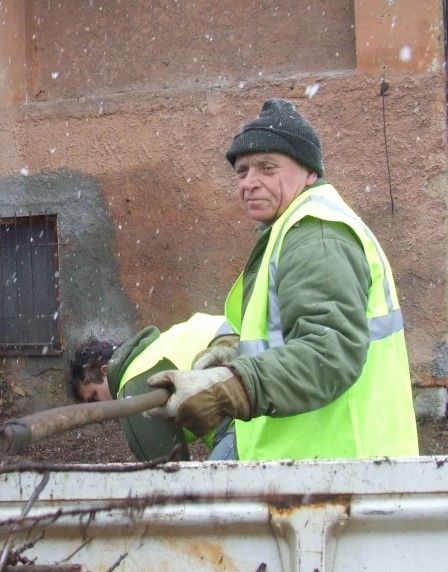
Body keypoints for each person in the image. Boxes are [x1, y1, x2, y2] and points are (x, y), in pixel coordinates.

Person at [147, 98, 418, 460]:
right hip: (324, 464)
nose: (249, 183)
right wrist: (236, 350)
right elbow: (294, 336)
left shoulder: (316, 236)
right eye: (242, 171)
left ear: (309, 172)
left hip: (337, 468)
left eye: (267, 168)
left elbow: (328, 353)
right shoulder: (292, 228)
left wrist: (231, 386)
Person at [68, 313, 236, 461]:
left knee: (216, 485)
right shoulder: (147, 353)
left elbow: (169, 475)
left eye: (95, 398)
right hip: (241, 340)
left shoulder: (131, 390)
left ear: (104, 371)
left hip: (242, 401)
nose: (100, 414)